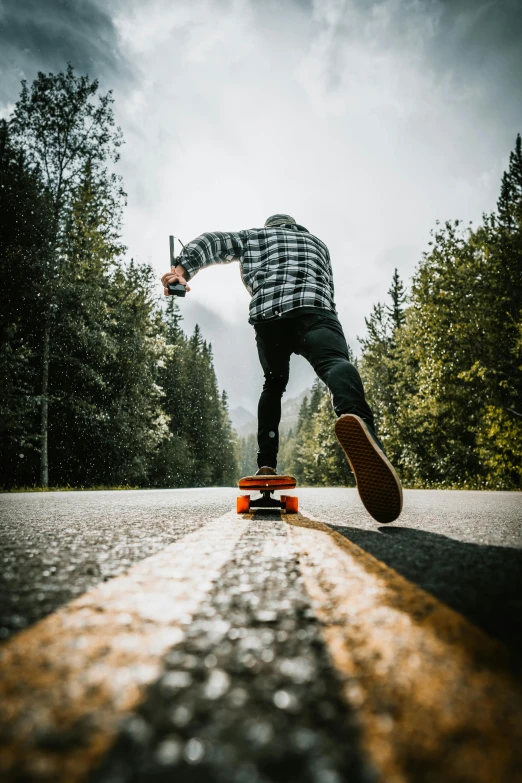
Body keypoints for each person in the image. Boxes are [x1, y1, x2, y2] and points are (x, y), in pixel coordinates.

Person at [161, 214, 402, 523]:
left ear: (271, 226)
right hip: (316, 312)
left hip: (270, 318)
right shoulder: (318, 244)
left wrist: (181, 272)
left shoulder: (255, 236)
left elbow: (212, 242)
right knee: (335, 363)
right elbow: (327, 284)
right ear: (294, 226)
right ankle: (359, 422)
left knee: (273, 384)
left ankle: (267, 463)